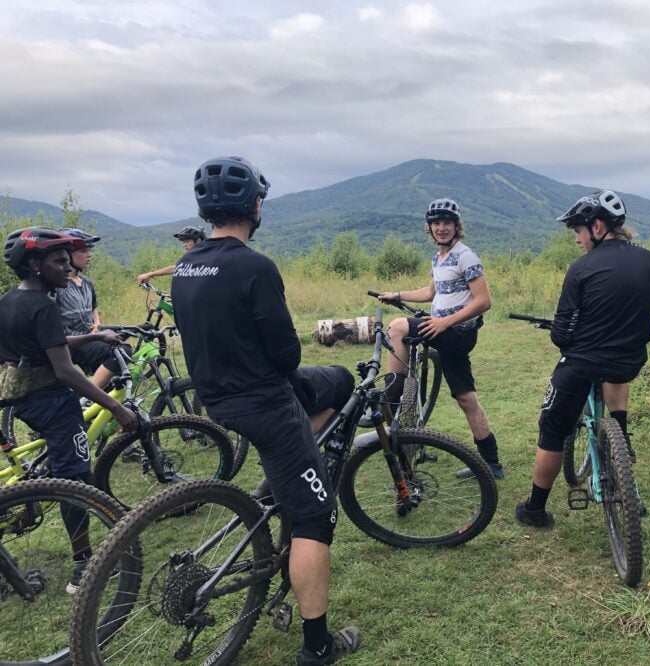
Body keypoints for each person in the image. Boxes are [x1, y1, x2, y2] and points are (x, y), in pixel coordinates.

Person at [171, 156, 361, 665]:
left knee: (338, 381)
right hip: (267, 403)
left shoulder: (188, 264)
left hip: (219, 399)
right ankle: (318, 646)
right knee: (316, 520)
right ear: (254, 205)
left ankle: (295, 471)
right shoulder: (254, 266)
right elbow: (287, 356)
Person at [0, 227, 138, 592]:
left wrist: (94, 335)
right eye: (58, 261)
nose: (67, 268)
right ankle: (83, 566)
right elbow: (64, 368)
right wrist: (116, 407)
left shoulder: (10, 299)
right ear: (34, 264)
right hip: (54, 404)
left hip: (22, 402)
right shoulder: (44, 305)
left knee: (59, 466)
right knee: (76, 483)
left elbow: (48, 346)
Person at [515, 191, 650, 527]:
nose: (578, 240)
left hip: (582, 364)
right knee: (615, 372)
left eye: (579, 232)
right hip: (629, 360)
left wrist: (564, 334)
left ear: (597, 226)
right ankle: (621, 439)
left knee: (552, 429)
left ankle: (535, 510)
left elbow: (562, 335)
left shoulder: (581, 268)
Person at [376, 198, 502, 479]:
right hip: (447, 333)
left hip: (456, 332)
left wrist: (444, 322)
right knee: (465, 397)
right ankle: (491, 462)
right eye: (436, 223)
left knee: (397, 328)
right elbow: (430, 292)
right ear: (429, 228)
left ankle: (390, 400)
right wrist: (397, 295)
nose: (441, 228)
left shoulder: (465, 256)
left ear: (457, 226)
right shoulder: (440, 258)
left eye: (447, 223)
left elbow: (483, 301)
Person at [54, 228, 129, 388]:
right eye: (83, 250)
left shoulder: (87, 282)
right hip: (72, 343)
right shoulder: (58, 285)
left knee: (115, 382)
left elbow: (93, 308)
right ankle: (89, 395)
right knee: (121, 352)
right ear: (67, 254)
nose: (89, 254)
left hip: (90, 337)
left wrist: (97, 324)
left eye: (89, 250)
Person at [136, 225, 205, 284]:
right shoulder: (192, 257)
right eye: (183, 242)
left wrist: (150, 274)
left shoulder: (204, 257)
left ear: (198, 241)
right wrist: (150, 274)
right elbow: (176, 268)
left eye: (187, 241)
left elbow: (174, 269)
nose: (184, 245)